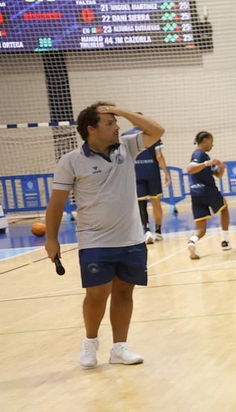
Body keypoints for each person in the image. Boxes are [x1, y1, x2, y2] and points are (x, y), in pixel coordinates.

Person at [46, 101, 164, 369]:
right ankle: (90, 342)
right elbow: (56, 204)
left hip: (132, 238)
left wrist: (120, 111)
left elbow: (157, 130)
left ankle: (119, 347)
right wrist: (51, 239)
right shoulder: (71, 161)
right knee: (97, 294)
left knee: (125, 293)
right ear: (92, 129)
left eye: (116, 122)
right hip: (94, 239)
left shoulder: (127, 146)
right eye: (110, 123)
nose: (117, 127)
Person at [185, 131, 230, 260]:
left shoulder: (204, 156)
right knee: (224, 208)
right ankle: (225, 241)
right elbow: (190, 169)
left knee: (201, 228)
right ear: (205, 140)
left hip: (195, 194)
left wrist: (221, 168)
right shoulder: (199, 154)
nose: (212, 145)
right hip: (207, 191)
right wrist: (207, 163)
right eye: (211, 141)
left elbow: (217, 175)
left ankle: (192, 241)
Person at [133, 132, 166, 242]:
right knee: (155, 201)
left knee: (141, 203)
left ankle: (146, 230)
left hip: (137, 173)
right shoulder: (153, 135)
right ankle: (158, 231)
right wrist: (166, 173)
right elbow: (159, 156)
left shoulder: (127, 136)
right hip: (152, 172)